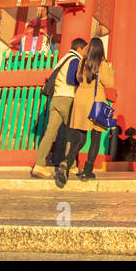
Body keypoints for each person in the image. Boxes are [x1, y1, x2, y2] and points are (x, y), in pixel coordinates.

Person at [51, 37, 113, 187]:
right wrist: (110, 69)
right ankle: (88, 171)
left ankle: (67, 161)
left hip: (80, 101)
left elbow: (78, 79)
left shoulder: (82, 62)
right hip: (95, 101)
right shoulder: (102, 64)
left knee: (80, 138)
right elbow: (110, 83)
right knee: (95, 137)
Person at [32, 37, 86, 178]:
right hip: (67, 98)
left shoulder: (62, 59)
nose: (85, 53)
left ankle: (39, 165)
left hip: (55, 98)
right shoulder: (75, 59)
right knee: (72, 134)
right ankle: (71, 165)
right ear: (80, 48)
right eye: (85, 49)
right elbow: (71, 79)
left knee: (50, 132)